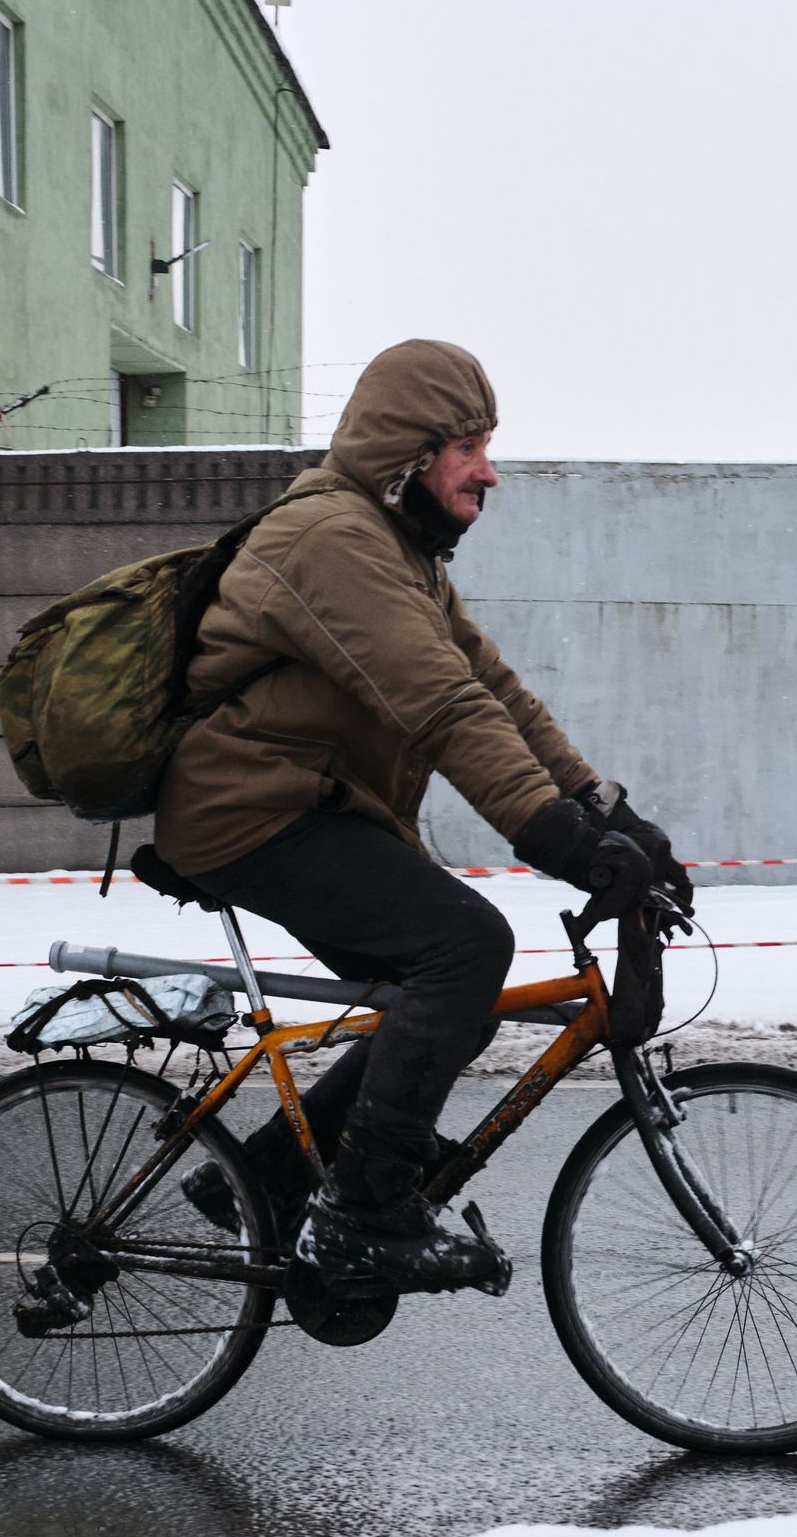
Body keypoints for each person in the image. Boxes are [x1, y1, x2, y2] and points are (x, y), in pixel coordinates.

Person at [150, 339, 692, 1293]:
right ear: (409, 452)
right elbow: (441, 705)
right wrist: (556, 838)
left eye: (489, 444)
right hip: (250, 813)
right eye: (468, 446)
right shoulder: (332, 542)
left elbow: (497, 690)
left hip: (309, 807)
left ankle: (270, 1181)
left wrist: (614, 814)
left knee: (443, 994)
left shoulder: (402, 553)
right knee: (462, 950)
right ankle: (362, 1212)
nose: (488, 471)